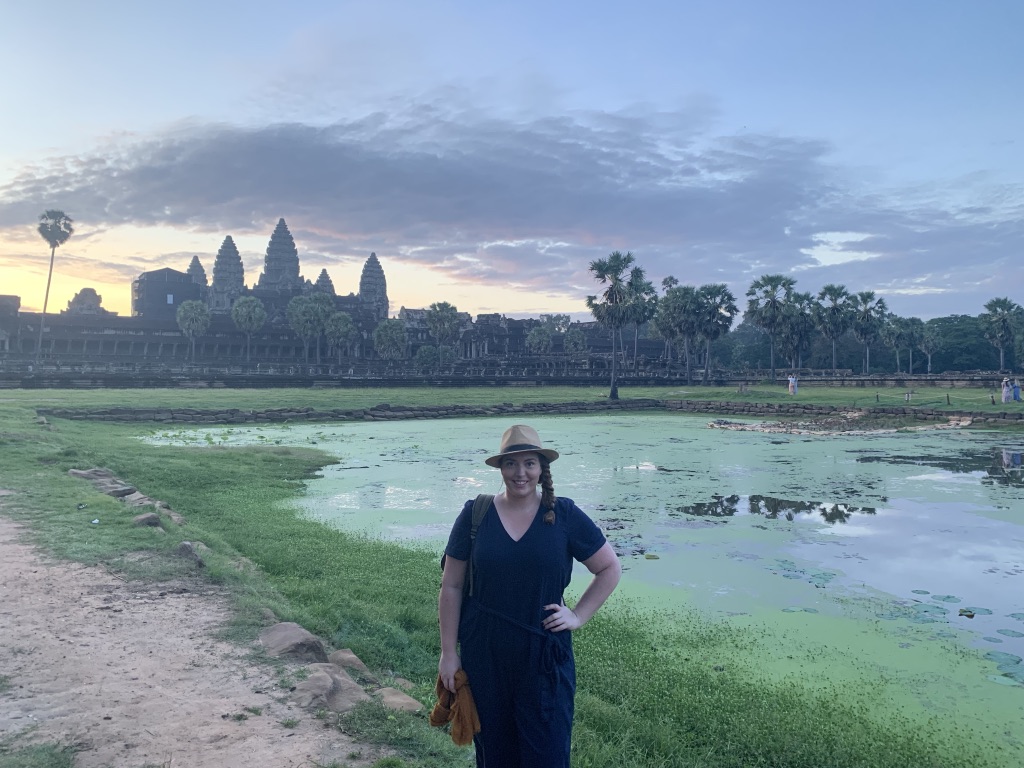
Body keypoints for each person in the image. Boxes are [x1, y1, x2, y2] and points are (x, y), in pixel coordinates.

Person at [438, 424, 621, 767]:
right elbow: (452, 586)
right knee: (494, 753)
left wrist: (578, 616)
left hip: (544, 658)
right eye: (511, 464)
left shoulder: (563, 514)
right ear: (500, 468)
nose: (520, 473)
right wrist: (449, 653)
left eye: (529, 464)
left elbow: (609, 568)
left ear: (541, 469)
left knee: (547, 754)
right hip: (485, 654)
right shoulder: (475, 514)